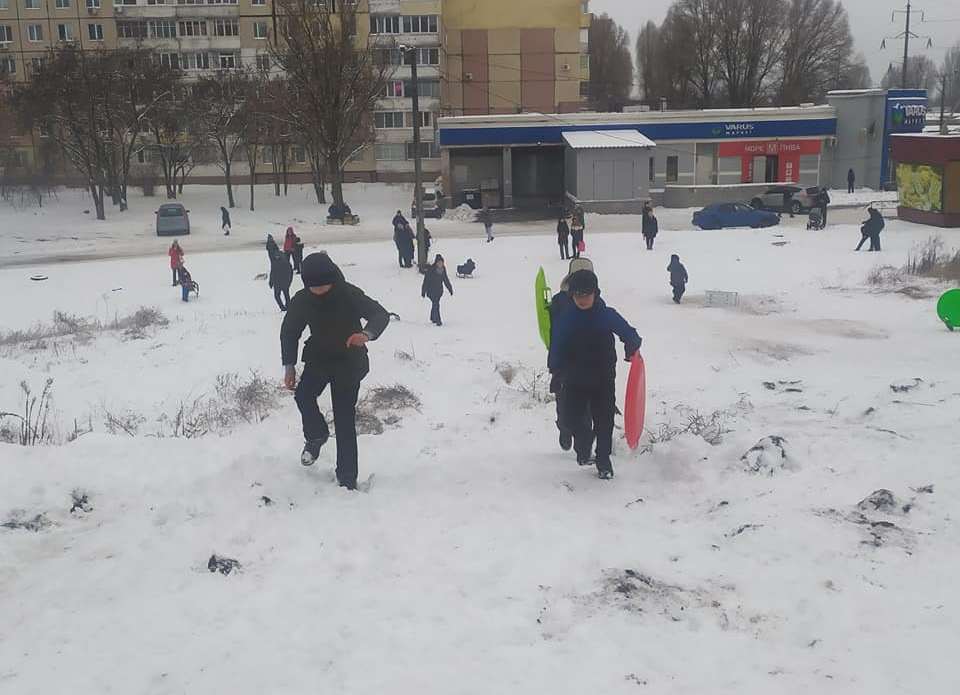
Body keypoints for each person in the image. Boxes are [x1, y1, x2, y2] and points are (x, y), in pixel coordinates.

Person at [281, 252, 390, 489]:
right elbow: (290, 331)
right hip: (319, 358)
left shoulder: (348, 293)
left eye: (324, 285)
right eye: (314, 287)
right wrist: (289, 366)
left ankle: (347, 478)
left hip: (348, 361)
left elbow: (379, 314)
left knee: (344, 419)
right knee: (303, 395)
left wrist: (366, 334)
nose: (319, 290)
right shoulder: (302, 299)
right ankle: (316, 436)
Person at [548, 269, 641, 480]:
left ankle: (603, 461)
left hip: (603, 380)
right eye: (577, 295)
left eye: (586, 295)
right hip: (574, 380)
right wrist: (556, 372)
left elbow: (630, 334)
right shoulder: (567, 319)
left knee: (604, 422)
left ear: (595, 293)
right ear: (571, 296)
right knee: (572, 419)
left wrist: (631, 347)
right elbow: (557, 346)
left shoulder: (606, 315)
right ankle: (583, 443)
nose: (582, 300)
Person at [548, 257, 596, 456]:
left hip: (589, 362)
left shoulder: (595, 299)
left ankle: (582, 442)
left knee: (587, 405)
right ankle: (565, 430)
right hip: (565, 362)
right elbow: (552, 330)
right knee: (565, 401)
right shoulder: (560, 300)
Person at [421, 254, 454, 326]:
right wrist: (423, 291)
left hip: (439, 291)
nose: (440, 264)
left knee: (435, 304)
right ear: (436, 263)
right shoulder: (431, 269)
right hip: (431, 290)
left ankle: (432, 317)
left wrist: (450, 289)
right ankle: (438, 320)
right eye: (439, 262)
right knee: (436, 304)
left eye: (442, 262)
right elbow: (426, 281)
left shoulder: (443, 269)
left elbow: (445, 280)